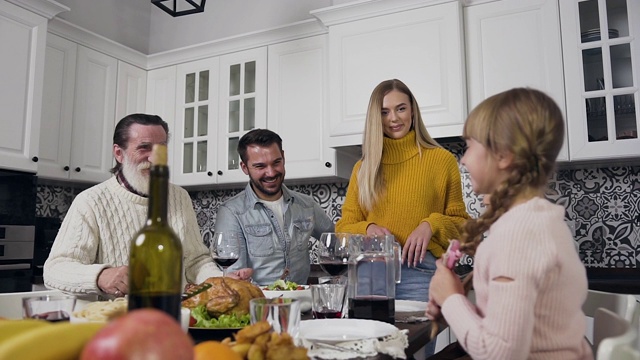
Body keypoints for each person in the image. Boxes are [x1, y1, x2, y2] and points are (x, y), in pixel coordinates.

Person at [426, 88, 592, 359]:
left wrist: (451, 300)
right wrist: (454, 305)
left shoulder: (518, 234)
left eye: (469, 146)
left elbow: (499, 352)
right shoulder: (538, 219)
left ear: (503, 155)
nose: (464, 159)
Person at [44, 114, 252, 298]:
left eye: (160, 149)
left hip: (173, 316)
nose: (154, 158)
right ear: (119, 153)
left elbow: (196, 260)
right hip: (115, 323)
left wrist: (218, 280)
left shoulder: (179, 197)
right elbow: (55, 269)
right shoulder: (90, 201)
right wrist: (100, 276)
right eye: (144, 148)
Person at [335, 79, 469, 302]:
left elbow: (463, 227)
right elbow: (342, 230)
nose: (394, 118)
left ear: (413, 111)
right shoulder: (363, 168)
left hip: (420, 271)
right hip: (370, 273)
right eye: (384, 112)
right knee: (371, 338)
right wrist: (367, 228)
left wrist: (431, 225)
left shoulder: (441, 160)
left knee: (416, 338)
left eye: (401, 108)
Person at [214, 129, 335, 286]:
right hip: (257, 306)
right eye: (260, 166)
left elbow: (337, 241)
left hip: (301, 303)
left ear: (283, 157)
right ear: (245, 167)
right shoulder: (232, 212)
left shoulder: (306, 205)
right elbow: (234, 278)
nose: (271, 173)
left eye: (276, 162)